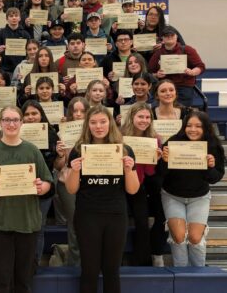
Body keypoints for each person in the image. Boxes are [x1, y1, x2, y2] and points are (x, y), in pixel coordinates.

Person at [0, 106, 53, 292]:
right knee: (1, 282)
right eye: (7, 120)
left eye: (15, 119)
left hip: (27, 224)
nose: (11, 124)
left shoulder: (32, 150)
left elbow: (48, 182)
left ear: (21, 122)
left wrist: (42, 188)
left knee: (24, 281)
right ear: (0, 123)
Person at [66, 105, 140, 293]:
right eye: (93, 122)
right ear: (87, 125)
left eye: (102, 121)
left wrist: (129, 170)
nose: (98, 126)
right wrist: (74, 171)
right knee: (89, 270)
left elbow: (132, 190)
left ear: (111, 123)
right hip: (87, 215)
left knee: (112, 271)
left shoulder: (124, 150)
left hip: (116, 215)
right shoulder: (78, 150)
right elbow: (71, 189)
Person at [160, 111, 225, 266]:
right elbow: (160, 174)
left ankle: (198, 275)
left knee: (195, 237)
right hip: (172, 195)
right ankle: (181, 274)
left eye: (198, 126)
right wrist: (164, 161)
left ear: (206, 128)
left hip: (199, 197)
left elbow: (215, 178)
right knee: (179, 236)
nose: (192, 129)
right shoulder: (173, 142)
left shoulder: (213, 145)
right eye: (189, 125)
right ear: (184, 127)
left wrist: (210, 167)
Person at [120, 102, 164, 266]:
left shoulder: (155, 139)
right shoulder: (119, 136)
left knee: (142, 222)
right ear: (132, 117)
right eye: (140, 116)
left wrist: (155, 160)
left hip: (139, 185)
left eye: (147, 117)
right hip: (118, 185)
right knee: (119, 222)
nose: (144, 120)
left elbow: (150, 173)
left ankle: (141, 262)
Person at [21, 100, 60, 265]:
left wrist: (60, 155)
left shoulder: (51, 135)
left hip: (43, 189)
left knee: (38, 229)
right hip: (20, 188)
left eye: (34, 113)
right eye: (27, 114)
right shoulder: (16, 133)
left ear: (41, 115)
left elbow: (58, 165)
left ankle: (34, 263)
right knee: (22, 229)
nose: (31, 117)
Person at [54, 97, 90, 266]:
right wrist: (61, 155)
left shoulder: (95, 130)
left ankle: (90, 263)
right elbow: (59, 166)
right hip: (67, 182)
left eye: (82, 111)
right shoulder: (63, 133)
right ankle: (75, 265)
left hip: (91, 184)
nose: (78, 114)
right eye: (75, 111)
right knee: (75, 226)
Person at [148, 26, 205, 107]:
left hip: (183, 87)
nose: (169, 37)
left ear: (176, 37)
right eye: (166, 36)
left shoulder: (188, 50)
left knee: (181, 112)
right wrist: (157, 75)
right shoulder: (158, 53)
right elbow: (149, 72)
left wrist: (192, 72)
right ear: (162, 39)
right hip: (165, 87)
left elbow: (200, 66)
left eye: (172, 35)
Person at [0, 7, 32, 74]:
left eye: (16, 16)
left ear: (20, 18)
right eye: (11, 16)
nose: (14, 18)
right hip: (5, 69)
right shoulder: (0, 33)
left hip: (22, 68)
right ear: (6, 19)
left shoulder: (25, 34)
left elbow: (29, 51)